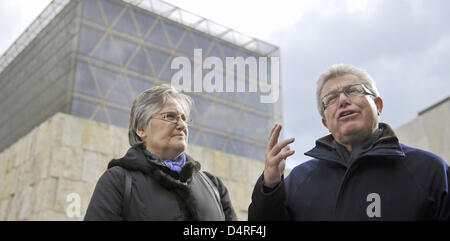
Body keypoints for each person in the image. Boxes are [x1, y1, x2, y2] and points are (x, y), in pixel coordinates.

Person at [248, 63, 449, 220]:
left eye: (353, 90)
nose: (343, 100)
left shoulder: (429, 171)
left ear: (378, 105)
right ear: (325, 122)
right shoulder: (299, 180)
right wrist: (270, 186)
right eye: (331, 99)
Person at [85, 84, 237, 221]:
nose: (182, 125)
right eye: (170, 116)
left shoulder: (213, 185)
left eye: (184, 118)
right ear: (141, 129)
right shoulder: (118, 180)